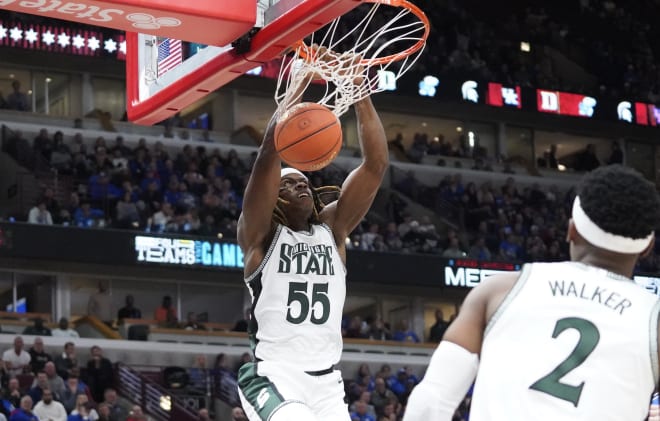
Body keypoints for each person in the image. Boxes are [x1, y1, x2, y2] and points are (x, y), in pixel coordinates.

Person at [404, 165, 660, 420]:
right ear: (648, 247)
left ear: (572, 229)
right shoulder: (654, 320)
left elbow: (431, 400)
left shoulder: (500, 290)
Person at [235, 86, 388, 421]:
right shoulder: (260, 238)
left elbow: (376, 165)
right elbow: (267, 157)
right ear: (273, 197)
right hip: (274, 375)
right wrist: (296, 90)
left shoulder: (332, 232)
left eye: (304, 182)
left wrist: (360, 92)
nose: (301, 185)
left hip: (327, 383)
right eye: (289, 184)